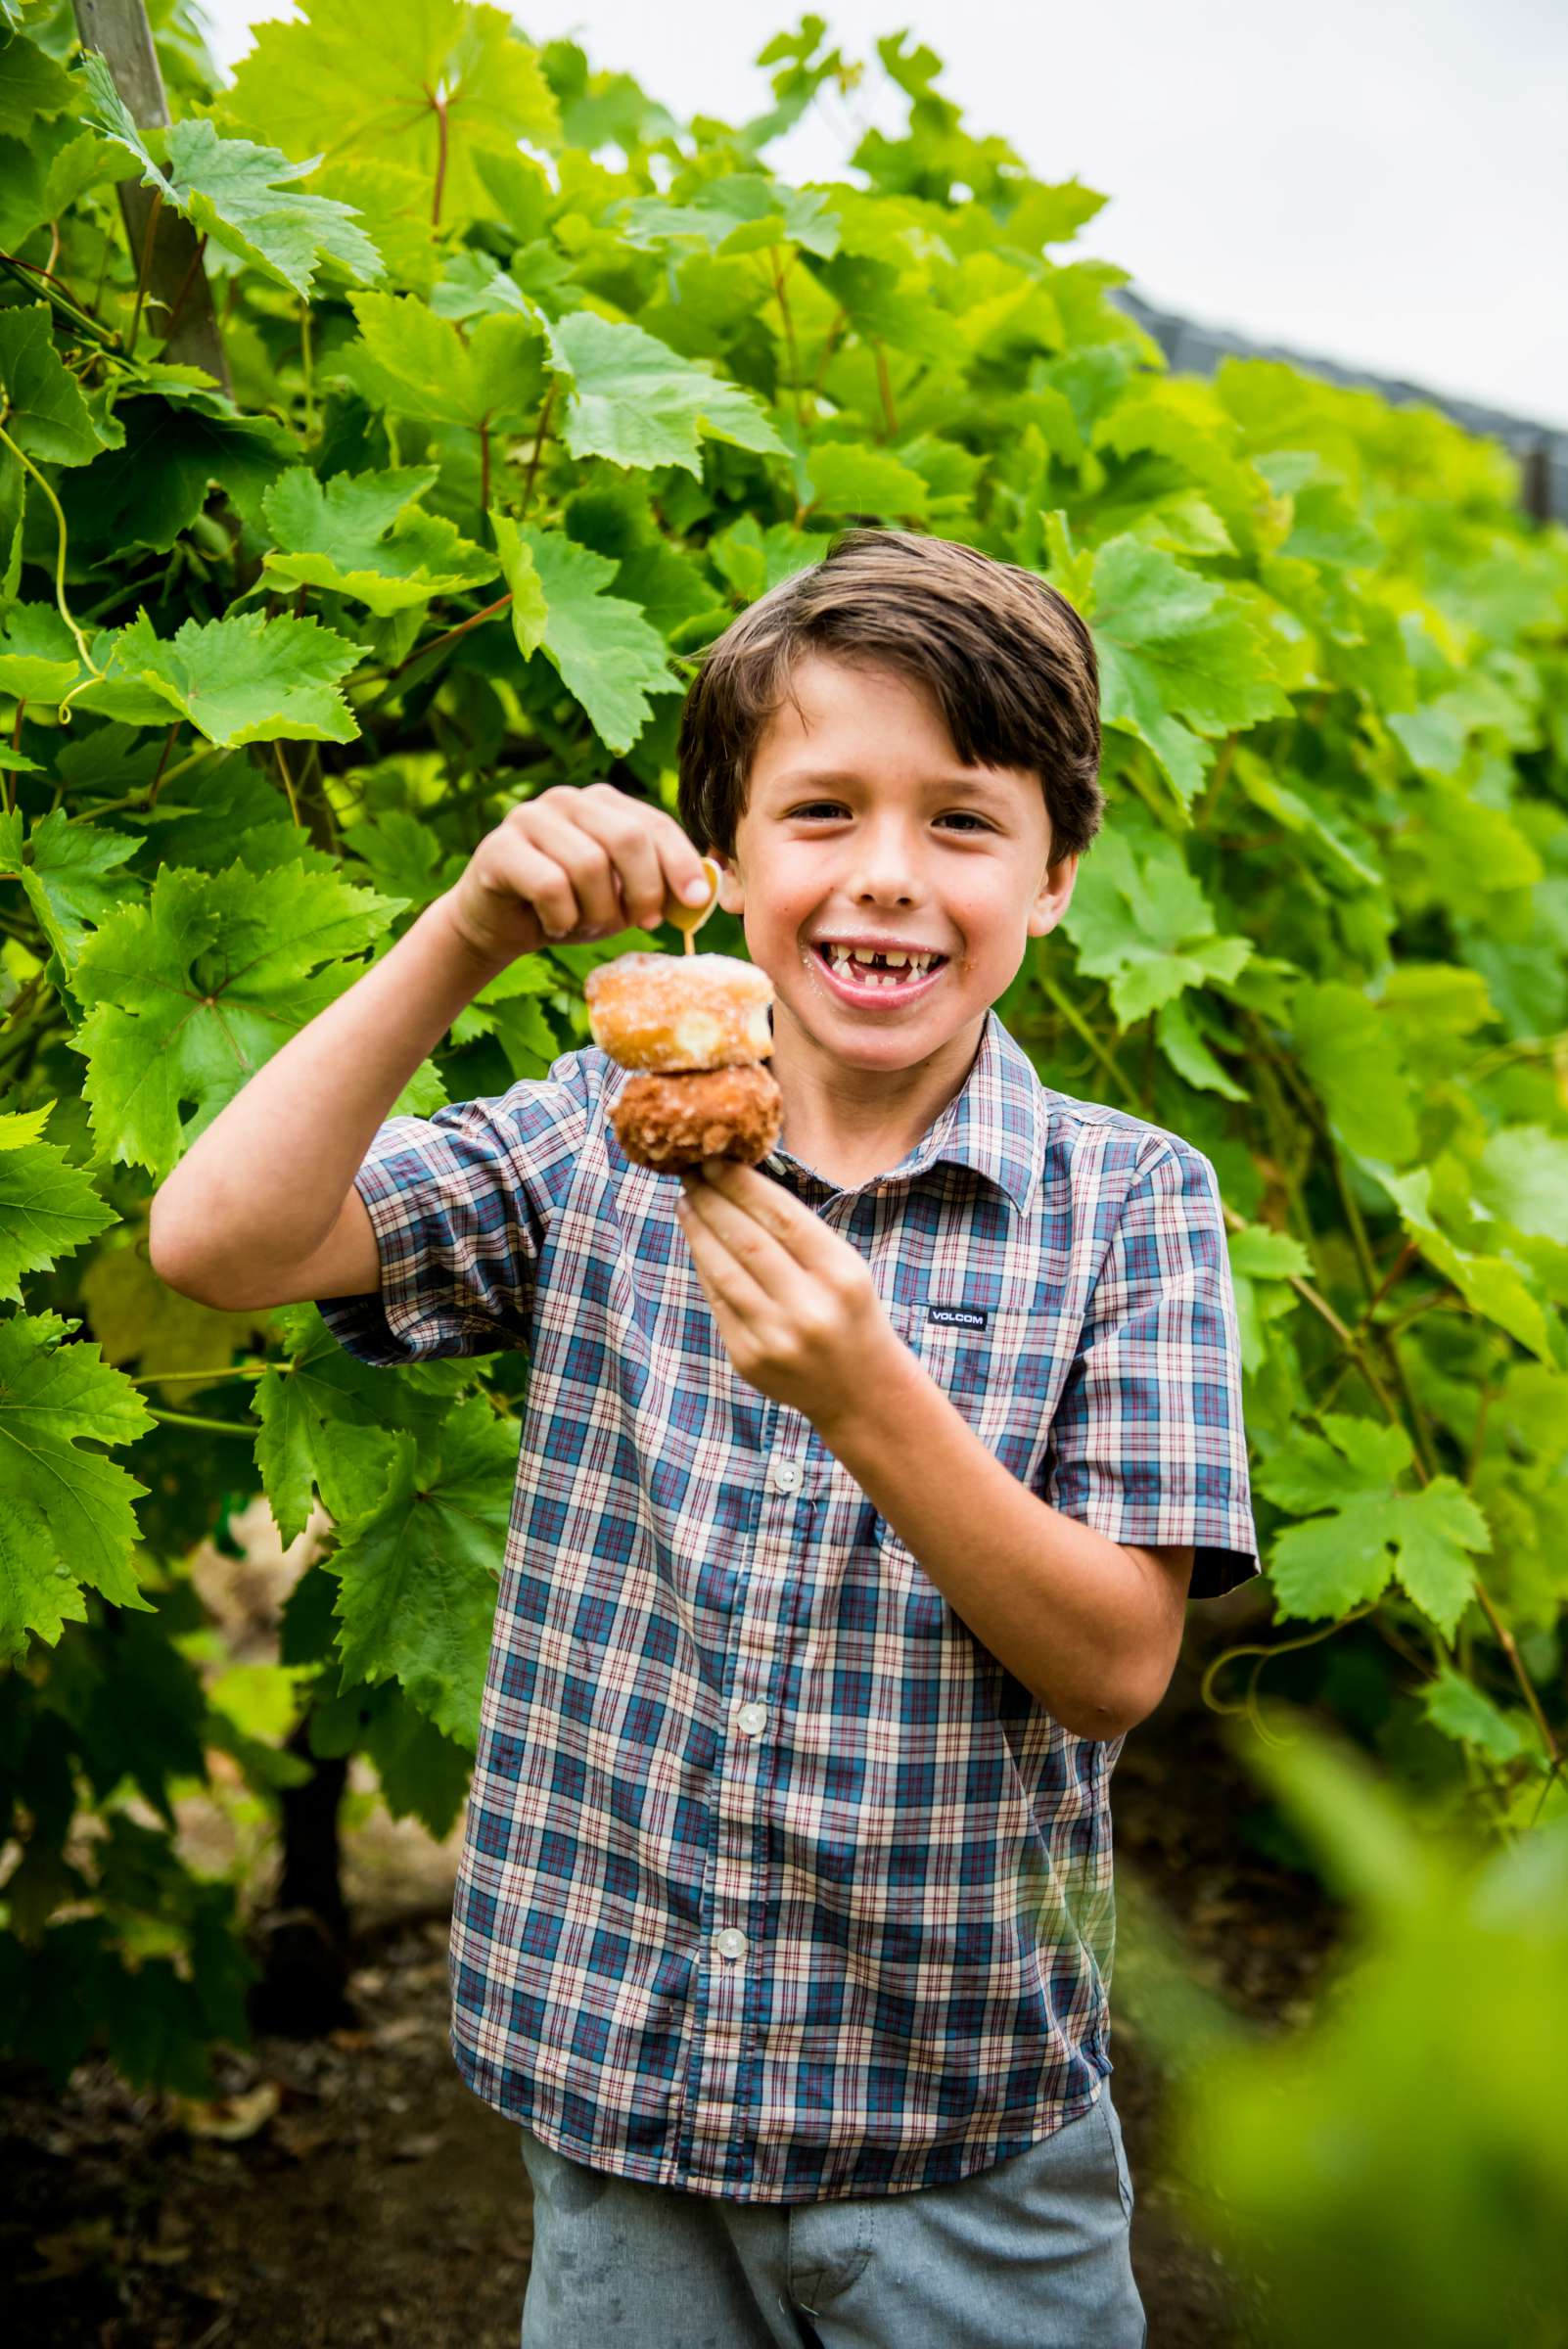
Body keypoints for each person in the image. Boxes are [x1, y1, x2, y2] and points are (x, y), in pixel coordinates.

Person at [151, 527, 1259, 2347]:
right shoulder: (587, 1137)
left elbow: (1116, 1666)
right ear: (725, 855)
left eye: (962, 824)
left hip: (951, 2126)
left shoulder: (1131, 1205)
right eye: (820, 813)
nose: (885, 878)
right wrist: (465, 930)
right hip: (616, 2089)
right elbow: (219, 1243)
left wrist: (865, 1393)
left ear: (1057, 875)